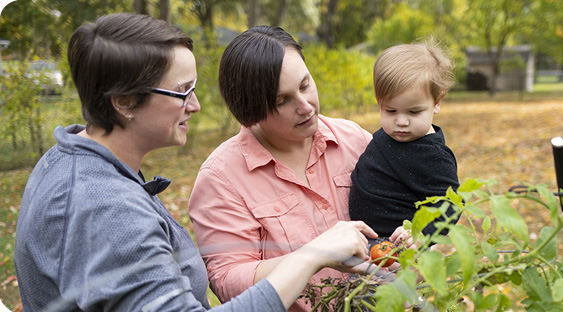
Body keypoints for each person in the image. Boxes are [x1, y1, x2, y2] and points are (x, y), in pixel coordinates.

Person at [14, 13, 377, 312]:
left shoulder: (70, 159)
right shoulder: (106, 208)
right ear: (124, 102)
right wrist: (312, 255)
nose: (196, 105)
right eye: (181, 92)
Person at [188, 26, 376, 311]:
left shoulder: (356, 141)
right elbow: (228, 281)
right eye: (282, 101)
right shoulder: (221, 178)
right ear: (249, 110)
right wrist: (313, 255)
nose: (305, 107)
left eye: (305, 85)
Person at [348, 40, 460, 247]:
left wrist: (421, 234)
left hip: (396, 248)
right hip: (366, 243)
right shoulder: (390, 134)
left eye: (414, 112)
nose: (401, 121)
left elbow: (451, 205)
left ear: (437, 102)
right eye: (390, 111)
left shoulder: (432, 155)